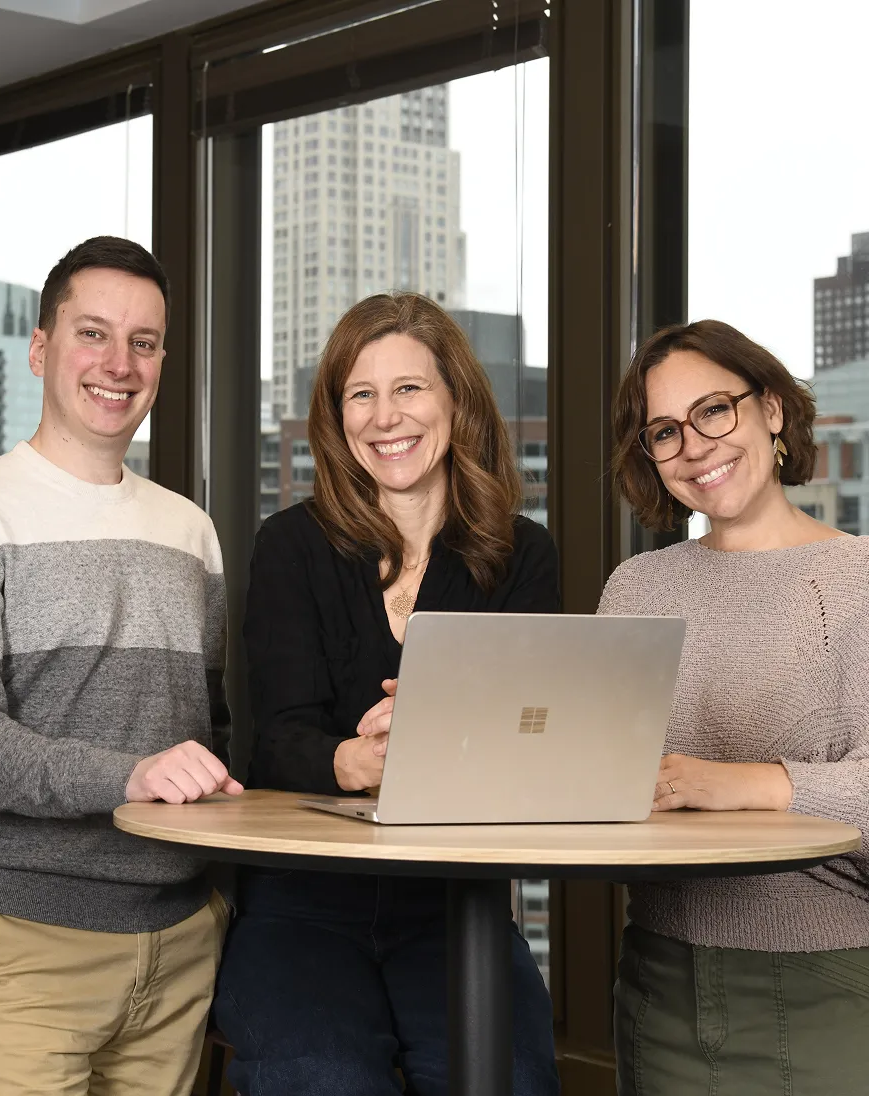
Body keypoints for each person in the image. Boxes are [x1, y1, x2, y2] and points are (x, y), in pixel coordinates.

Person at [0, 236, 243, 1096]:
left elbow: (213, 737)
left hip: (177, 945)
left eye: (144, 341)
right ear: (40, 347)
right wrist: (131, 776)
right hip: (23, 944)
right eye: (92, 333)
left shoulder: (191, 532)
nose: (119, 363)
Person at [212, 292, 560, 1096]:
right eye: (359, 394)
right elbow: (277, 741)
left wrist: (444, 732)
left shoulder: (519, 555)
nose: (384, 416)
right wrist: (356, 760)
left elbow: (534, 745)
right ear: (336, 419)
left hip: (454, 904)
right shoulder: (290, 546)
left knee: (508, 1079)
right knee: (326, 1079)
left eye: (409, 388)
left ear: (455, 401)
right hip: (302, 902)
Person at [599, 318, 869, 1095]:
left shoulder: (857, 582)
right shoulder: (636, 589)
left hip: (828, 987)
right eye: (664, 431)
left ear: (773, 410)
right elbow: (588, 782)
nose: (696, 446)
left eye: (715, 410)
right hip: (659, 979)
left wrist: (749, 783)